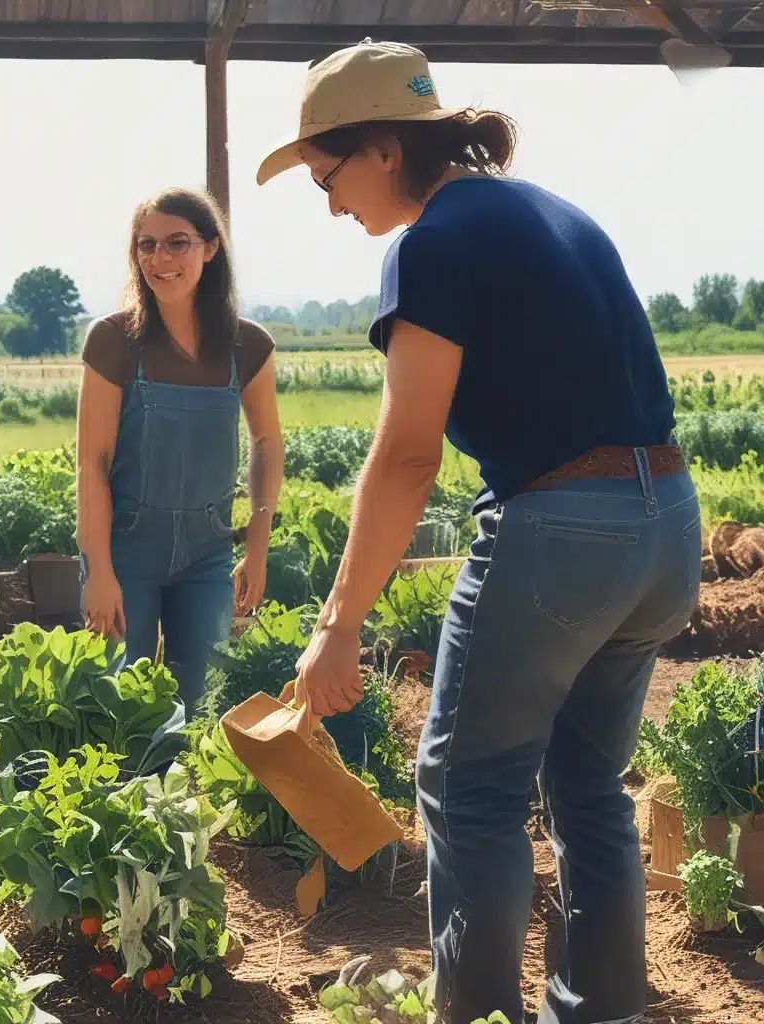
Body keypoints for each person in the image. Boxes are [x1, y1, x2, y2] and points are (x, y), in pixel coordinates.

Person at [258, 39, 700, 1024]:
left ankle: (478, 1015)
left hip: (562, 531)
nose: (330, 202)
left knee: (470, 788)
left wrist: (336, 625)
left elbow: (408, 454)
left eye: (327, 176)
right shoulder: (553, 210)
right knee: (588, 789)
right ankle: (602, 1013)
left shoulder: (430, 243)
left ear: (380, 147)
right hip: (664, 524)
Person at [76, 186, 284, 715]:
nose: (159, 259)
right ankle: (122, 800)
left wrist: (256, 548)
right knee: (122, 706)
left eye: (176, 243)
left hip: (207, 553)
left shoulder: (248, 345)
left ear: (210, 249)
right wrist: (98, 570)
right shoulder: (113, 340)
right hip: (127, 551)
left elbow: (266, 443)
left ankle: (184, 801)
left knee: (200, 707)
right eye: (146, 246)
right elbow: (91, 464)